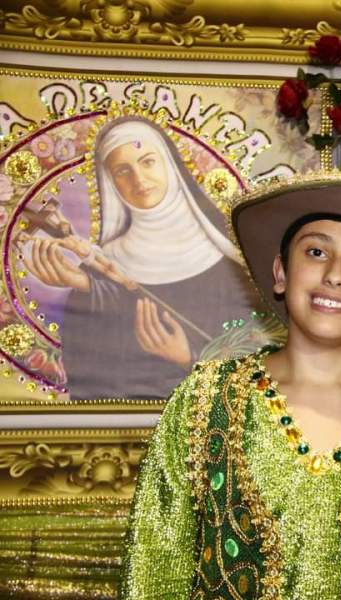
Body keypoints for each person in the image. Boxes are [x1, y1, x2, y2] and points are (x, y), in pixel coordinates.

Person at [120, 167, 341, 599]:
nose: (335, 275)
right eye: (316, 252)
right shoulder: (207, 401)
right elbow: (155, 567)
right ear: (281, 273)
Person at [24, 116, 261, 400]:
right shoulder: (107, 263)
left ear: (168, 165)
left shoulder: (226, 259)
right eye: (122, 171)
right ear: (111, 183)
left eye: (148, 162)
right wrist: (85, 287)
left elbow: (261, 354)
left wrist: (190, 358)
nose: (138, 179)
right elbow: (90, 371)